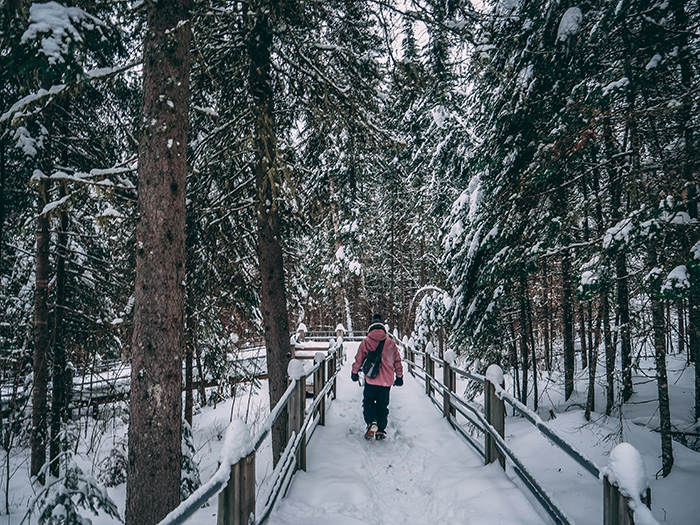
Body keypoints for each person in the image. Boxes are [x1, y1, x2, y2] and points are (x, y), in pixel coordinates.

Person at [351, 313, 403, 440]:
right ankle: (381, 430)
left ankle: (371, 422)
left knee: (368, 402)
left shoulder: (366, 342)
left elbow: (359, 359)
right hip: (386, 382)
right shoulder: (390, 343)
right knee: (383, 405)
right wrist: (399, 377)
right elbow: (397, 361)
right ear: (383, 329)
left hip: (371, 380)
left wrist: (354, 372)